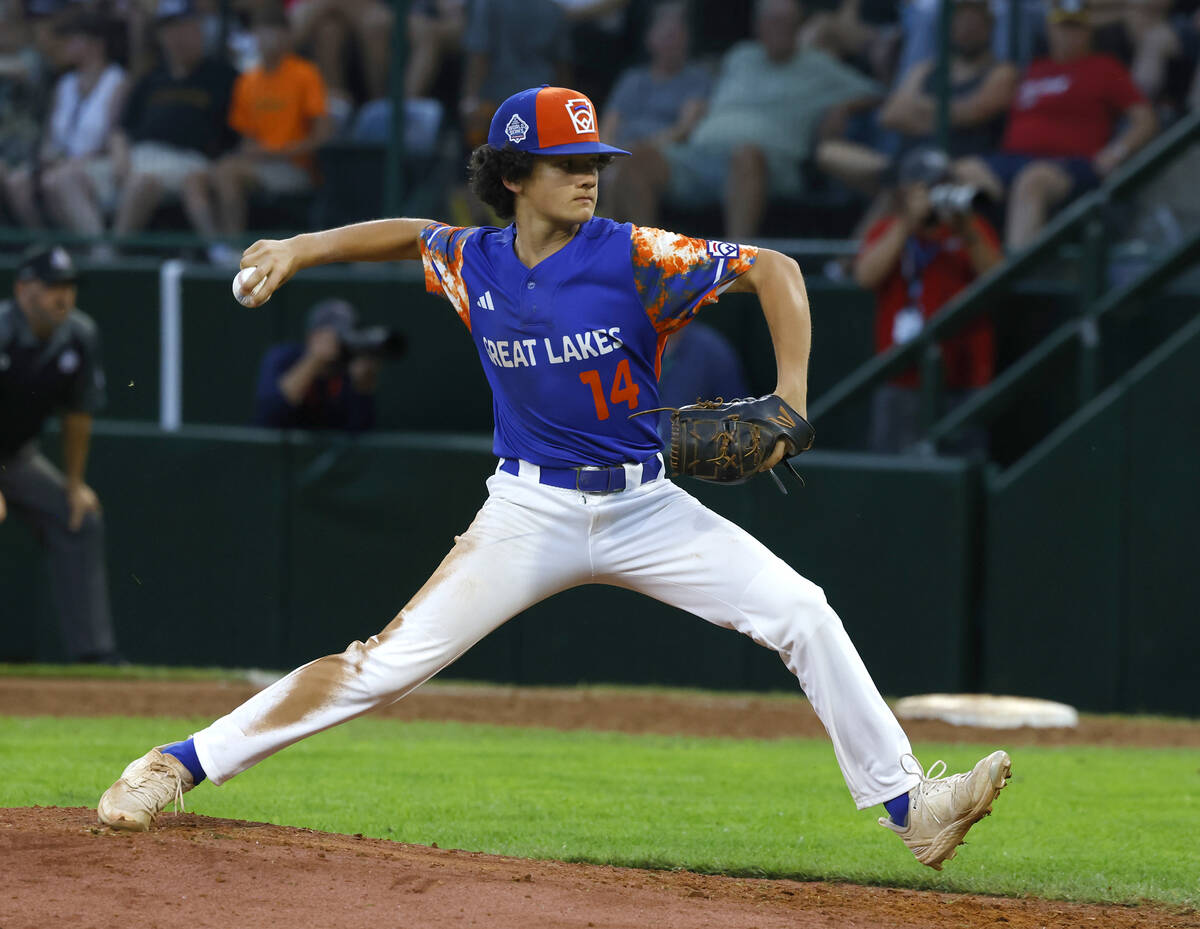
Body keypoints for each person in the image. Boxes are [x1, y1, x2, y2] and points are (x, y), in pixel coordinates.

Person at [96, 84, 1012, 873]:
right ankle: (175, 764)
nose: (588, 172)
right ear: (510, 175)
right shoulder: (475, 261)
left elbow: (774, 269)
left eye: (594, 158)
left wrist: (792, 395)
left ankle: (911, 810)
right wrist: (301, 245)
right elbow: (410, 234)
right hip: (527, 510)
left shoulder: (632, 254)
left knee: (802, 610)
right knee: (381, 668)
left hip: (644, 503)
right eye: (567, 159)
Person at [607, 0, 881, 240]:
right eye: (772, 20)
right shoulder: (740, 56)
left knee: (744, 155)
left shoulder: (819, 67)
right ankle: (649, 268)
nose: (780, 28)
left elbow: (877, 93)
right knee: (636, 161)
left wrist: (844, 107)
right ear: (758, 25)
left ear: (799, 25)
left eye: (787, 21)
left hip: (769, 164)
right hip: (700, 154)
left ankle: (731, 272)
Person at [955, 0, 1158, 250]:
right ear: (1050, 29)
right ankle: (971, 270)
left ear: (1088, 31)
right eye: (1062, 27)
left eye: (1075, 27)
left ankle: (1012, 277)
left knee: (1032, 180)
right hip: (1012, 160)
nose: (1068, 34)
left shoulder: (1104, 66)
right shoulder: (1034, 68)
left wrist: (1117, 152)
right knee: (958, 174)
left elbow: (1145, 119)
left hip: (1071, 165)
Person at [0, 245, 120, 664]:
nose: (63, 296)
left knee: (80, 518)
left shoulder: (80, 334)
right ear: (23, 291)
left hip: (16, 456)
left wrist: (74, 483)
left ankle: (92, 654)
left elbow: (78, 414)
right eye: (52, 287)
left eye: (68, 286)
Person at [853, 147, 1003, 456]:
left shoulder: (971, 228)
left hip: (966, 373)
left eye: (943, 183)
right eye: (927, 186)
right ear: (904, 191)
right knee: (895, 471)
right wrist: (907, 223)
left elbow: (998, 280)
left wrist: (967, 230)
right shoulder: (888, 229)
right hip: (903, 375)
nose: (936, 192)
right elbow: (866, 276)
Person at [817, 0, 1018, 197]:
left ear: (989, 27)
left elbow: (974, 111)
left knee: (900, 198)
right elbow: (890, 115)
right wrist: (947, 115)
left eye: (973, 24)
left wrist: (916, 112)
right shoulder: (927, 68)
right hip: (906, 165)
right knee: (828, 152)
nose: (966, 30)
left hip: (956, 168)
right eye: (960, 23)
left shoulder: (1001, 71)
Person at [181, 8, 332, 265]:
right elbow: (246, 138)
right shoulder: (247, 81)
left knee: (229, 174)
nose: (266, 39)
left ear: (286, 36)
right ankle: (217, 249)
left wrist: (275, 152)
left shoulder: (305, 74)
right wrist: (250, 152)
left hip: (295, 168)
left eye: (273, 31)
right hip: (257, 165)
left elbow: (323, 136)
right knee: (194, 180)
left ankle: (236, 254)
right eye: (260, 32)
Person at [106, 0, 237, 244]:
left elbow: (233, 136)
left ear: (199, 30)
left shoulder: (223, 77)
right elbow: (121, 129)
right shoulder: (151, 77)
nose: (178, 37)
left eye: (185, 28)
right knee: (63, 179)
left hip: (188, 161)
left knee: (141, 181)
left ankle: (109, 256)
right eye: (170, 30)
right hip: (138, 156)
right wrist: (119, 155)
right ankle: (86, 246)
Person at [1, 12, 128, 237]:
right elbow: (50, 137)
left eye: (74, 38)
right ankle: (45, 246)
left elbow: (114, 137)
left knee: (59, 180)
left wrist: (72, 163)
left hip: (97, 163)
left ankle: (99, 253)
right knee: (18, 181)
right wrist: (49, 158)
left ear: (96, 45)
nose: (66, 44)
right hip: (59, 162)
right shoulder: (65, 84)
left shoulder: (117, 80)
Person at [252, 298, 382, 431]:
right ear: (311, 336)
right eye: (335, 335)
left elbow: (361, 432)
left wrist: (363, 388)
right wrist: (315, 360)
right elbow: (271, 415)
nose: (339, 343)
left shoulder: (351, 368)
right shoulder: (284, 358)